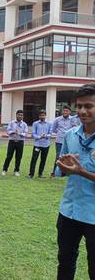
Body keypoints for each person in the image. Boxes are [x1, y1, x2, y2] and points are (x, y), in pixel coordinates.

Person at [55, 84, 95, 279]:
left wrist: (81, 172)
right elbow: (60, 169)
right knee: (65, 261)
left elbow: (78, 172)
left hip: (93, 215)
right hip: (69, 211)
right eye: (79, 106)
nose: (82, 111)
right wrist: (63, 168)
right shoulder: (70, 135)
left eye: (88, 106)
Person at [51, 105, 77, 177]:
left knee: (69, 157)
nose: (65, 112)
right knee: (58, 156)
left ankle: (67, 173)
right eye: (64, 110)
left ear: (70, 112)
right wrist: (59, 132)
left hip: (70, 141)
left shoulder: (73, 119)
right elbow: (53, 129)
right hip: (59, 141)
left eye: (67, 111)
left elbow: (75, 128)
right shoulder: (57, 119)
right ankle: (55, 173)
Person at [1, 110, 28, 177]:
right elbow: (8, 131)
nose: (20, 116)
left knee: (18, 157)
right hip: (12, 142)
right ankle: (4, 170)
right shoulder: (11, 123)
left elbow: (25, 133)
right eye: (19, 115)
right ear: (16, 115)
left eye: (21, 115)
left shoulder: (24, 124)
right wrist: (13, 132)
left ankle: (16, 170)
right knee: (9, 156)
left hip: (20, 142)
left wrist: (20, 133)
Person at [27, 109, 52, 179]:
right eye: (41, 115)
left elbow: (50, 134)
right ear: (39, 116)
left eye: (43, 115)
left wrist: (46, 136)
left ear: (45, 116)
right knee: (34, 159)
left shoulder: (49, 124)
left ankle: (40, 174)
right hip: (37, 145)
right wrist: (39, 137)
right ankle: (31, 174)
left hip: (46, 145)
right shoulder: (35, 123)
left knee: (43, 160)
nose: (42, 116)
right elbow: (33, 134)